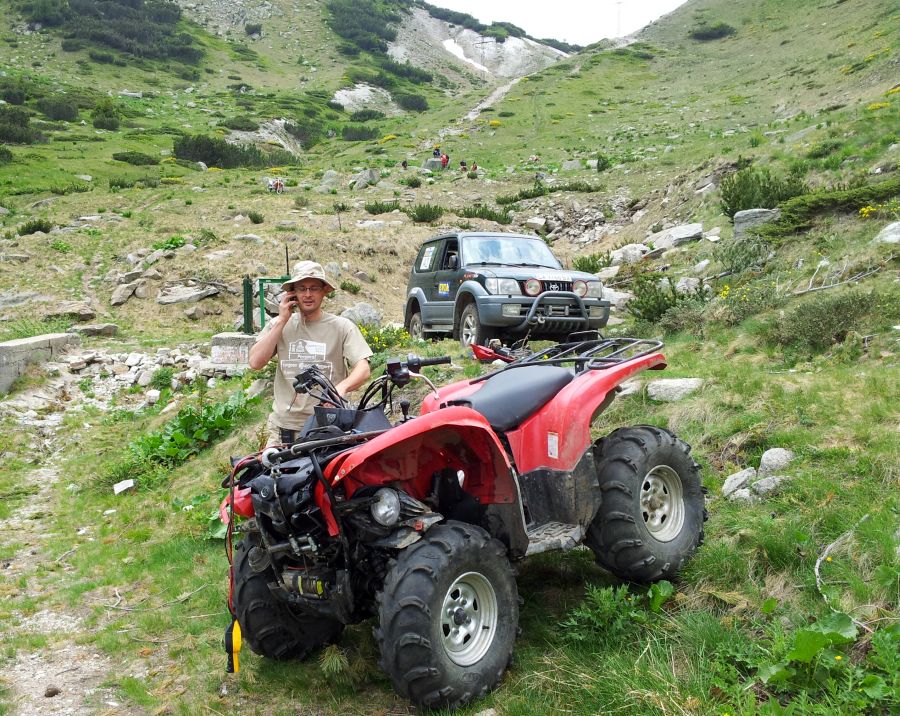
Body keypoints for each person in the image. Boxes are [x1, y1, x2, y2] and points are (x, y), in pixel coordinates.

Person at [249, 261, 372, 447]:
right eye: (302, 288)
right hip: (283, 430)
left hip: (328, 427)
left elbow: (363, 369)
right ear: (293, 293)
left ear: (324, 291)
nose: (307, 294)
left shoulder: (342, 327)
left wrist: (340, 389)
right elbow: (256, 362)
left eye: (314, 288)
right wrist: (282, 320)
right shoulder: (279, 325)